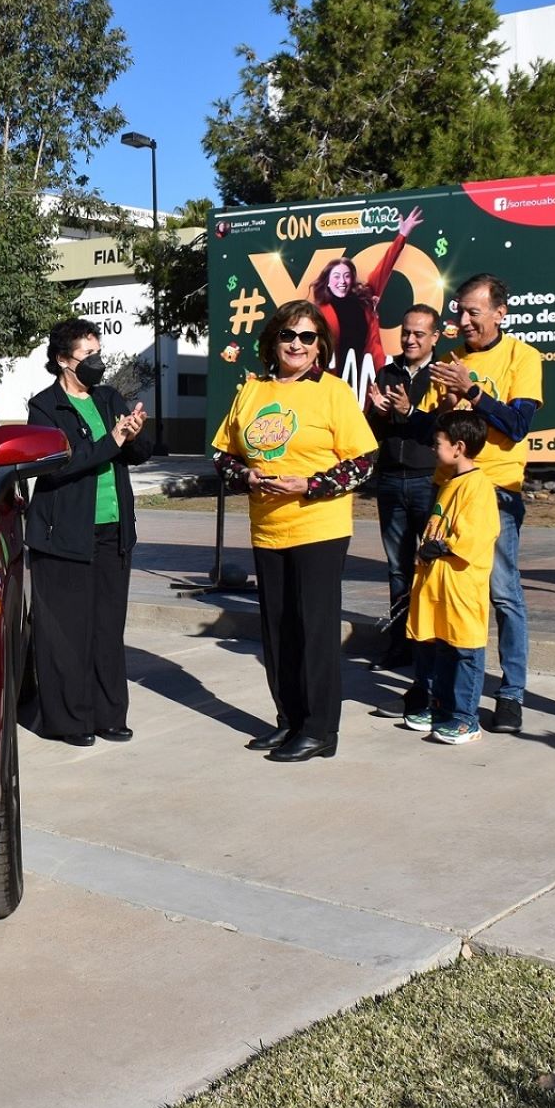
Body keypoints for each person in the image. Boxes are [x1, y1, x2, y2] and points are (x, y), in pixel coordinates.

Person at [212, 301, 377, 763]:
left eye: (307, 337)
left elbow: (362, 462)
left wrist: (311, 484)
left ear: (320, 344)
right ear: (274, 340)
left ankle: (320, 729)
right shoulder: (253, 391)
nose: (297, 345)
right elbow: (223, 455)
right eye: (288, 335)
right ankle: (288, 720)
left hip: (318, 526)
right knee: (278, 631)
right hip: (267, 528)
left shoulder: (333, 392)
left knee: (314, 631)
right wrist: (244, 475)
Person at [407, 273, 542, 735]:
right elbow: (433, 434)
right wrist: (428, 409)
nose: (463, 321)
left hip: (497, 492)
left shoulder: (522, 357)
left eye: (473, 312)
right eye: (459, 312)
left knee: (502, 594)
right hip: (447, 491)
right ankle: (440, 691)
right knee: (441, 591)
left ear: (500, 313)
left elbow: (518, 423)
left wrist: (472, 391)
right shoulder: (448, 361)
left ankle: (510, 692)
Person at [24, 319, 152, 747]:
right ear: (63, 360)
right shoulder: (44, 407)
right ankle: (70, 721)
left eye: (99, 353)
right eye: (88, 355)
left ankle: (109, 715)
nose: (98, 362)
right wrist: (112, 440)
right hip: (63, 535)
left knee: (106, 628)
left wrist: (133, 435)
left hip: (113, 531)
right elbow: (59, 462)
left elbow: (138, 454)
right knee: (67, 631)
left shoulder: (108, 397)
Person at [408, 410, 501, 746]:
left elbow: (478, 535)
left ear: (459, 447)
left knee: (464, 650)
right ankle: (441, 707)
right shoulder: (448, 483)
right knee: (442, 647)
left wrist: (443, 547)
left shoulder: (478, 487)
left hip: (461, 586)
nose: (434, 449)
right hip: (439, 585)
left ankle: (465, 717)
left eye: (438, 443)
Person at [363, 305, 443, 670]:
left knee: (429, 563)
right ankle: (399, 646)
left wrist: (410, 411)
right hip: (392, 480)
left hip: (428, 480)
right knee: (397, 568)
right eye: (406, 332)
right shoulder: (388, 372)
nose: (410, 339)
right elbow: (374, 433)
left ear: (435, 338)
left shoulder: (443, 375)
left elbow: (443, 430)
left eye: (419, 334)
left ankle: (430, 645)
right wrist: (376, 413)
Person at [308, 207, 424, 395]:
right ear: (327, 281)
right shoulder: (319, 311)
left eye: (346, 276)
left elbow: (384, 267)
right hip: (336, 376)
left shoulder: (366, 298)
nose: (342, 282)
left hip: (367, 373)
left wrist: (402, 235)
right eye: (336, 276)